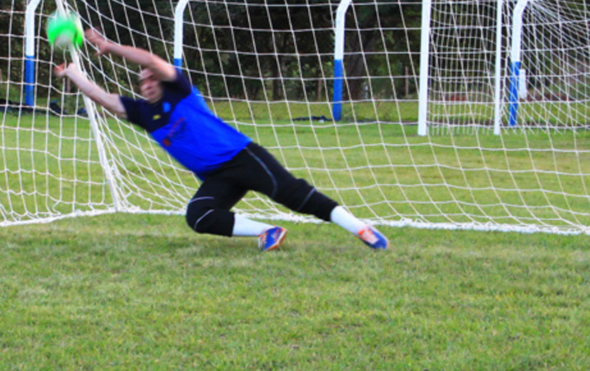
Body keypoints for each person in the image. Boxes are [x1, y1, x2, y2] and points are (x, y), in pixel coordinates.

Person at [54, 28, 388, 252]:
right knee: (198, 216)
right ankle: (266, 232)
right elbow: (103, 98)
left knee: (294, 195)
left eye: (153, 78)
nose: (148, 81)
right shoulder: (145, 114)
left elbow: (152, 60)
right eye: (144, 81)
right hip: (217, 177)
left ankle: (360, 228)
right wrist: (73, 74)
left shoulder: (180, 91)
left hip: (243, 156)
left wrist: (110, 47)